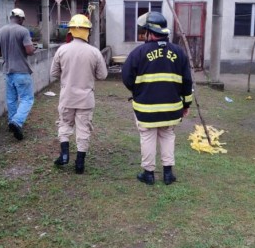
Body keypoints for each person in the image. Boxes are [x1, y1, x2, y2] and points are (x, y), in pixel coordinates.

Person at [122, 11, 193, 185]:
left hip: (146, 109)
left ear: (149, 32)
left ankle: (149, 174)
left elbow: (127, 78)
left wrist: (138, 91)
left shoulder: (138, 53)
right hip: (171, 109)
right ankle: (168, 174)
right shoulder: (179, 52)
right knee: (168, 136)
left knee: (147, 137)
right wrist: (186, 104)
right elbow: (187, 82)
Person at [50, 14, 108, 174]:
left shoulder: (62, 50)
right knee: (83, 129)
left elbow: (54, 73)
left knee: (64, 124)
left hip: (67, 97)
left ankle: (64, 154)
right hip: (85, 100)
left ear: (71, 31)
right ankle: (80, 163)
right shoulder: (94, 52)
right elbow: (102, 75)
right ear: (87, 31)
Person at [0, 8, 35, 141]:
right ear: (21, 19)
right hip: (21, 71)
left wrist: (8, 51)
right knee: (27, 99)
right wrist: (32, 48)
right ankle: (17, 122)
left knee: (11, 99)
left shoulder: (0, 31)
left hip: (8, 71)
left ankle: (11, 122)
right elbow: (29, 51)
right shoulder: (23, 31)